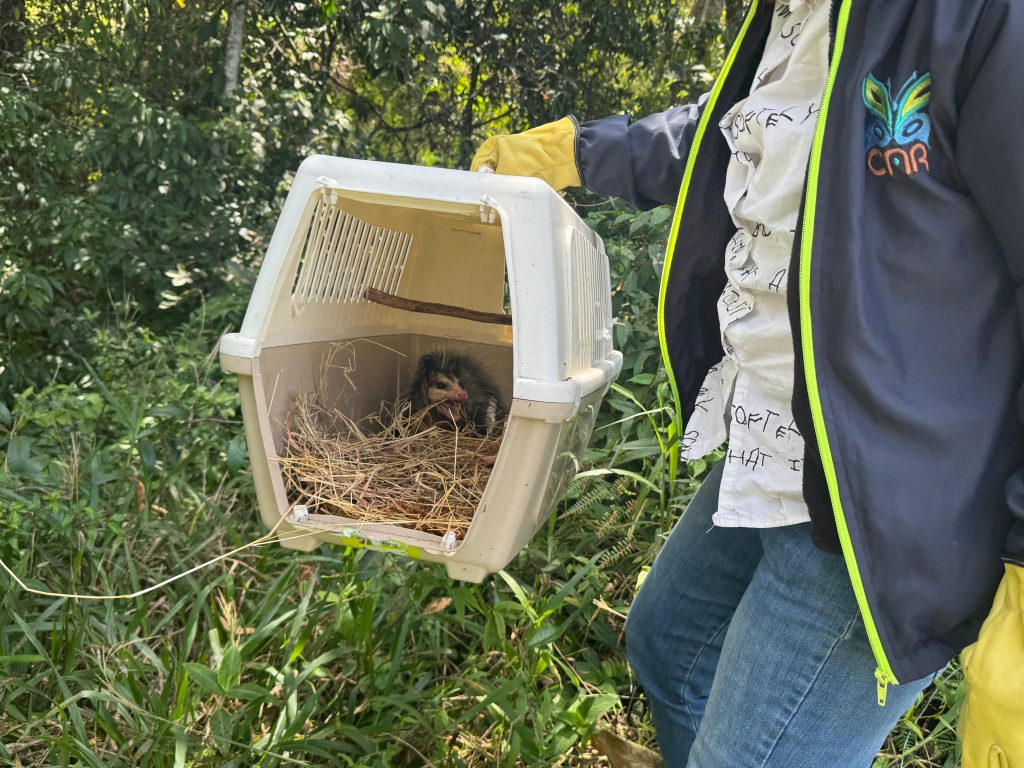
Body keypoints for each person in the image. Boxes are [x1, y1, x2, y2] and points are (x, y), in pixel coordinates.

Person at [472, 0, 1024, 766]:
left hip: (885, 508)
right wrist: (579, 151)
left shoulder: (977, 20)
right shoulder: (798, 17)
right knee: (673, 652)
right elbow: (747, 132)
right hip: (780, 438)